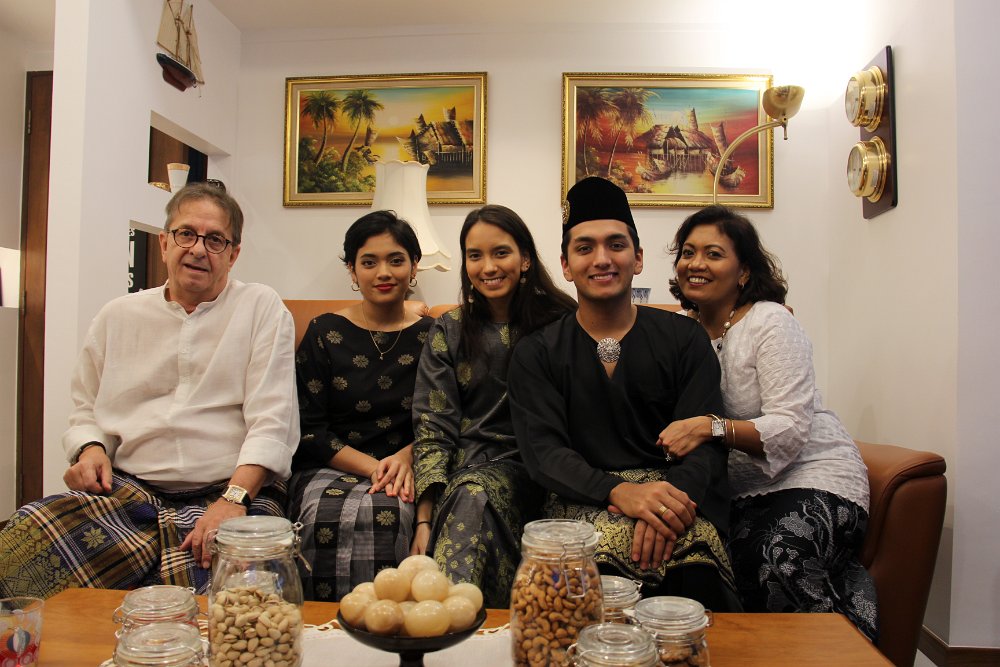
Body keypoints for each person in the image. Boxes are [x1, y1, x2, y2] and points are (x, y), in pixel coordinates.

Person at [0, 183, 299, 598]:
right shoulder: (118, 315)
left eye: (215, 240)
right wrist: (90, 450)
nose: (198, 249)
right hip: (129, 489)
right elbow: (86, 408)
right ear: (164, 243)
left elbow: (273, 420)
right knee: (24, 542)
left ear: (233, 254)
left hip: (232, 489)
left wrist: (233, 500)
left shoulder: (261, 308)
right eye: (186, 234)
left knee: (236, 596)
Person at [507, 177, 741, 611]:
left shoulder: (684, 338)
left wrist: (666, 507)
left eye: (616, 245)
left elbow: (705, 443)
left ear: (638, 258)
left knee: (695, 586)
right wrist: (620, 493)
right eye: (585, 248)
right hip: (582, 498)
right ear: (566, 265)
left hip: (675, 496)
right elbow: (543, 452)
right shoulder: (536, 352)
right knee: (584, 590)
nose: (602, 259)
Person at [664, 205, 877, 640]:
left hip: (812, 474)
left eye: (713, 254)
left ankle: (842, 649)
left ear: (743, 271)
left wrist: (711, 426)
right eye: (688, 252)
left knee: (777, 556)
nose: (696, 263)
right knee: (710, 565)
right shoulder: (681, 334)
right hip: (741, 494)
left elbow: (790, 427)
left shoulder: (770, 321)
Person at [410, 205, 576, 607]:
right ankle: (453, 621)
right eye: (475, 255)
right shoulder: (449, 330)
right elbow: (433, 425)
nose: (488, 267)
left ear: (525, 259)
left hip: (549, 467)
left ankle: (455, 618)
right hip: (470, 469)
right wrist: (423, 519)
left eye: (501, 252)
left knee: (475, 496)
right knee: (473, 496)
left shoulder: (563, 322)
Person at [288, 210, 433, 601]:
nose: (383, 272)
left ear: (414, 266)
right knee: (322, 516)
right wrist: (375, 468)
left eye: (396, 260)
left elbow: (443, 417)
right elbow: (309, 429)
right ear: (352, 271)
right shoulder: (324, 332)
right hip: (332, 462)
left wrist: (405, 457)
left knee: (388, 517)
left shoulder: (434, 335)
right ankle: (323, 625)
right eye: (369, 262)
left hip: (407, 466)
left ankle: (386, 625)